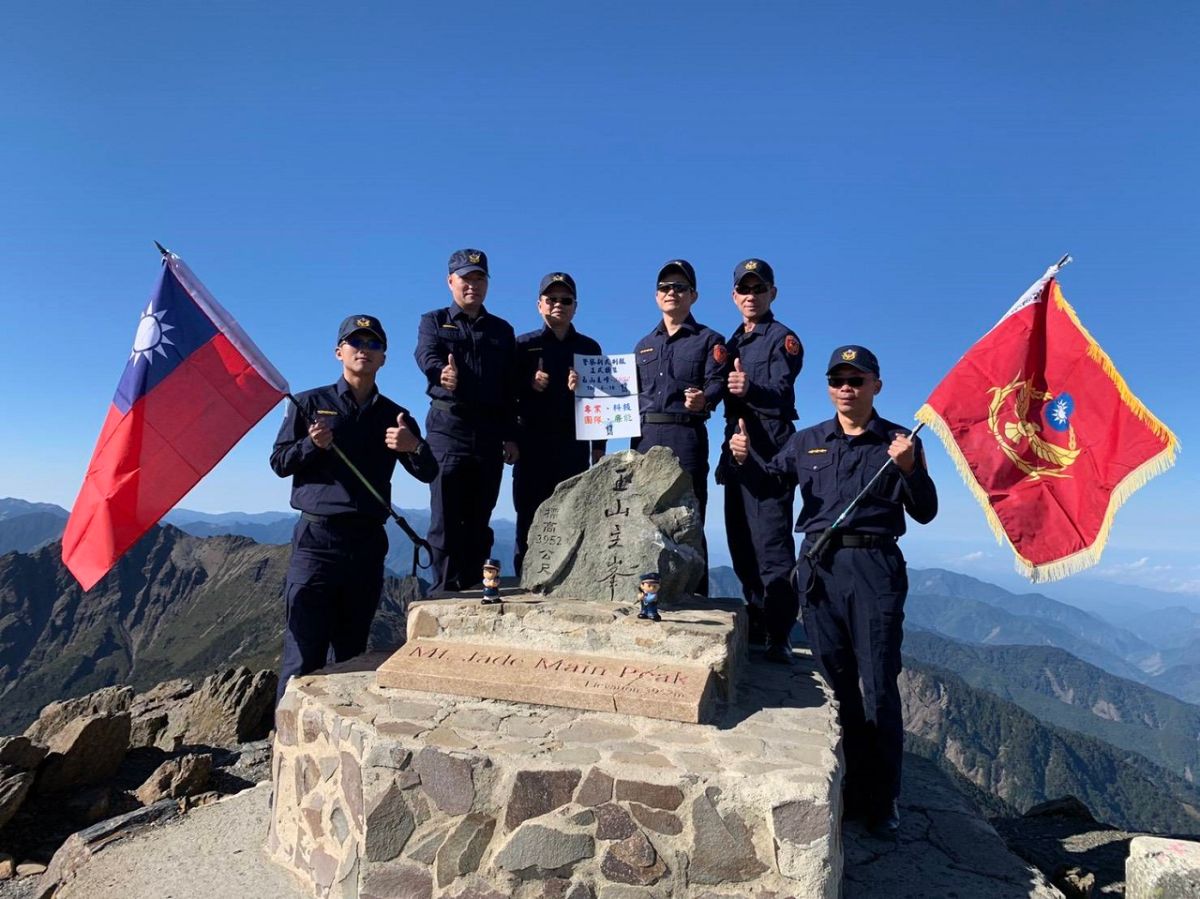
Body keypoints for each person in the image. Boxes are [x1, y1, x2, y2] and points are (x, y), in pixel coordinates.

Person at [729, 344, 937, 833]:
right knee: (838, 685)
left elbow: (925, 511)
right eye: (838, 380)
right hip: (819, 569)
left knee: (880, 684)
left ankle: (883, 798)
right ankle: (850, 786)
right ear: (828, 388)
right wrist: (743, 459)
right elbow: (768, 486)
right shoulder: (808, 442)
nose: (847, 388)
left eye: (857, 380)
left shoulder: (901, 442)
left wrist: (908, 469)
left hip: (874, 567)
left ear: (876, 387)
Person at [270, 315, 438, 702]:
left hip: (366, 542)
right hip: (316, 540)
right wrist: (312, 445)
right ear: (339, 351)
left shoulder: (394, 415)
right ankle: (285, 742)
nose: (364, 349)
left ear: (383, 358)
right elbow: (279, 463)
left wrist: (412, 446)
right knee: (303, 652)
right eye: (355, 342)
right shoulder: (310, 404)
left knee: (351, 651)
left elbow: (429, 472)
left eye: (374, 344)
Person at [415, 249, 519, 593]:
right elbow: (426, 354)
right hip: (448, 429)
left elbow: (509, 387)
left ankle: (477, 587)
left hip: (489, 432)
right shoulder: (433, 320)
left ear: (487, 283)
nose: (472, 284)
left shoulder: (502, 330)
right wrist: (440, 372)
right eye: (465, 277)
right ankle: (442, 592)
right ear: (450, 281)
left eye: (479, 278)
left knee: (480, 516)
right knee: (444, 517)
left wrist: (510, 435)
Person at [717, 258, 804, 652]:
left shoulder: (783, 338)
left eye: (758, 288)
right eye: (744, 289)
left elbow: (782, 395)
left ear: (773, 293)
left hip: (771, 456)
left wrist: (748, 388)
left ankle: (779, 635)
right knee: (741, 546)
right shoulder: (732, 342)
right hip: (735, 454)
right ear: (734, 296)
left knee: (772, 549)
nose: (751, 296)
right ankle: (756, 623)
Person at [632, 259, 729, 594]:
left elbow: (718, 382)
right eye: (665, 287)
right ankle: (648, 595)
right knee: (645, 517)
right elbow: (625, 395)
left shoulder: (709, 339)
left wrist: (705, 399)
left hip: (685, 434)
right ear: (656, 296)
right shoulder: (643, 344)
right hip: (644, 436)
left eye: (679, 287)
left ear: (693, 296)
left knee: (688, 518)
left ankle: (695, 594)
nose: (671, 292)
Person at [512, 272, 604, 574]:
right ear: (539, 304)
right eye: (551, 299)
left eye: (566, 300)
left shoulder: (590, 348)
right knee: (528, 519)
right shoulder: (523, 346)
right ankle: (525, 585)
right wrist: (528, 383)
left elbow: (601, 400)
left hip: (573, 447)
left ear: (575, 307)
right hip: (530, 446)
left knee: (572, 518)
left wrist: (599, 449)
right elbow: (505, 393)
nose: (558, 305)